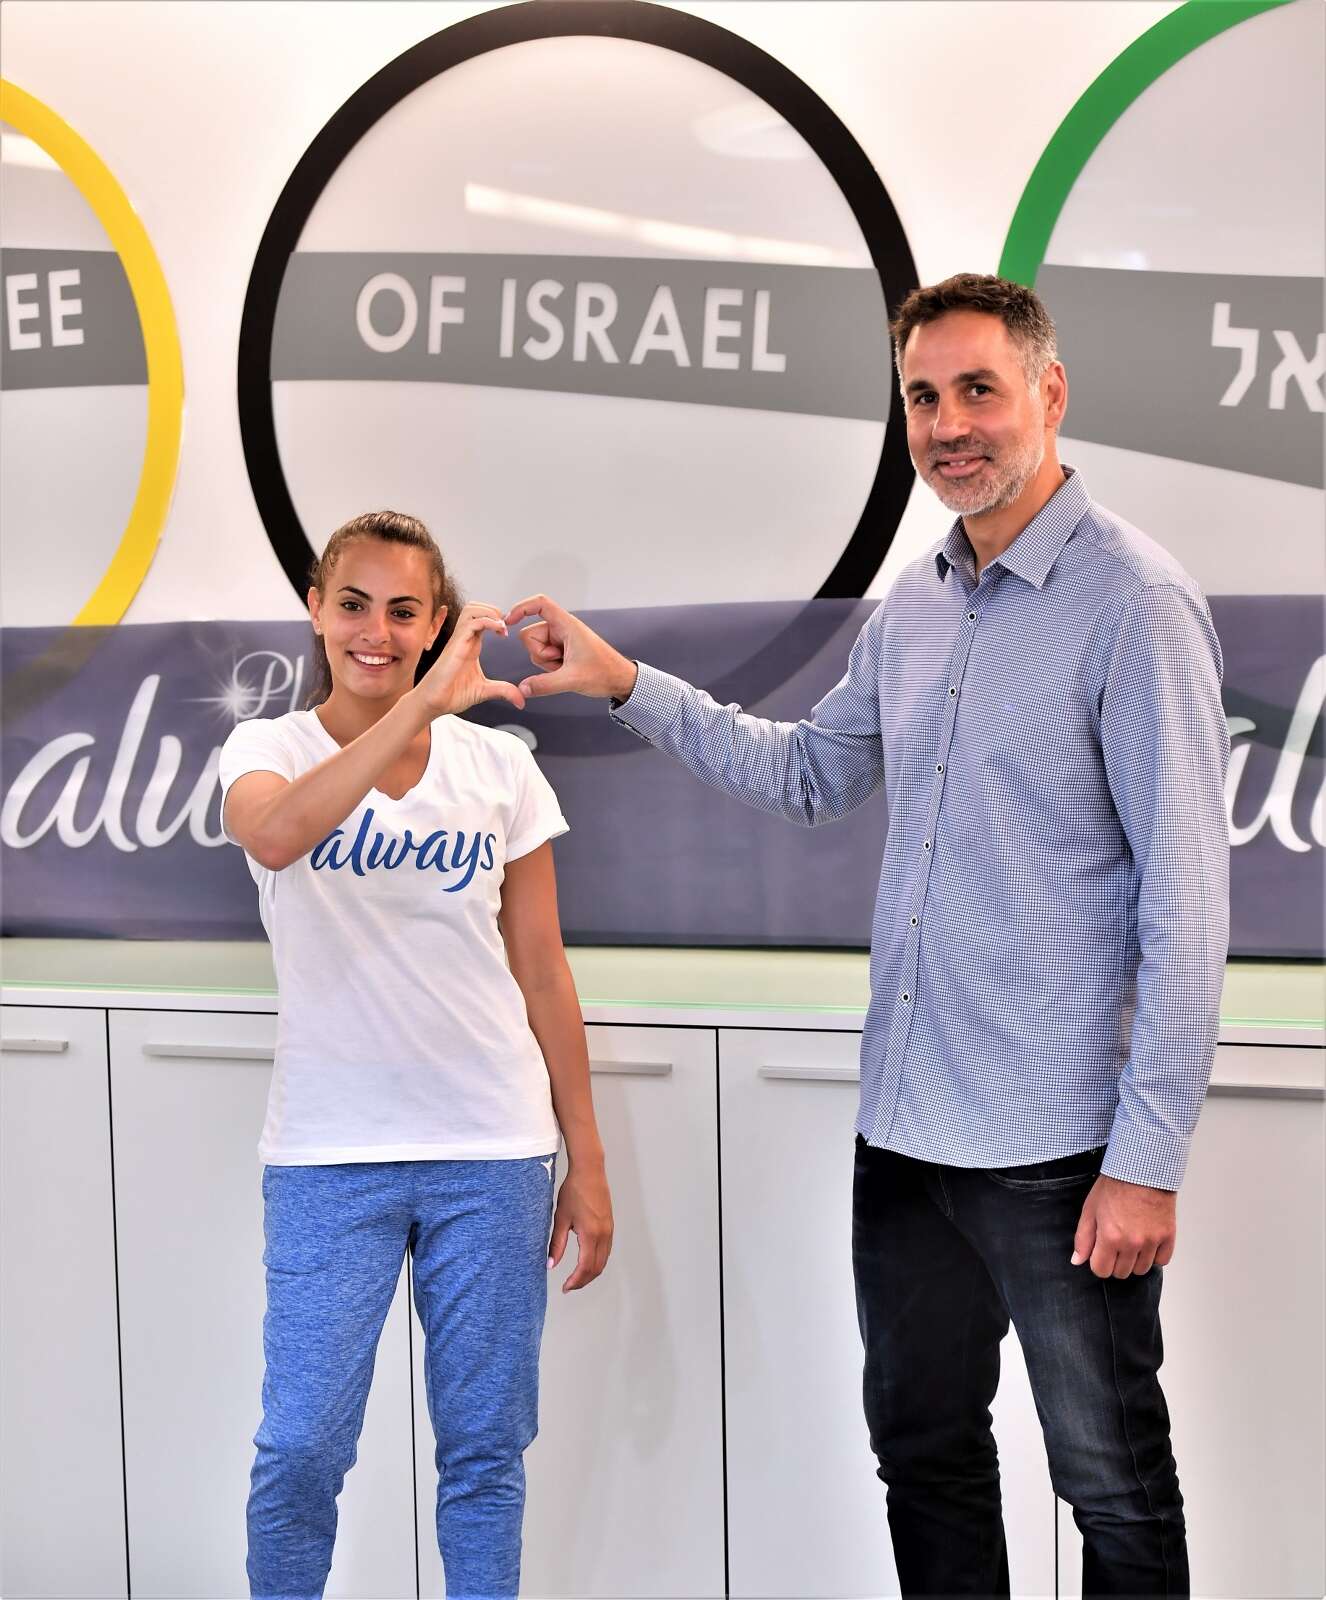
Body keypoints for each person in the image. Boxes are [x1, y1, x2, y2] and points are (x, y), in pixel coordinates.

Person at [502, 275, 1229, 1598]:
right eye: (922, 397)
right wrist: (622, 681)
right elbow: (807, 775)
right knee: (925, 1457)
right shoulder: (918, 602)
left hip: (1059, 1155)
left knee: (1114, 1491)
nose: (948, 425)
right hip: (905, 1140)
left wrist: (1147, 1162)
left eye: (977, 390)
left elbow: (1186, 903)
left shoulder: (1134, 602)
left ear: (1050, 394)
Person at [218, 509, 612, 1600]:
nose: (376, 632)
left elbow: (542, 971)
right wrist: (421, 707)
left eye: (404, 611)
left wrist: (587, 1161)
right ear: (316, 609)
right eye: (353, 605)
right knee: (301, 1448)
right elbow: (276, 835)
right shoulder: (266, 750)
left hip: (491, 1150)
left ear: (437, 621)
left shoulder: (500, 769)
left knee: (484, 1452)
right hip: (327, 1157)